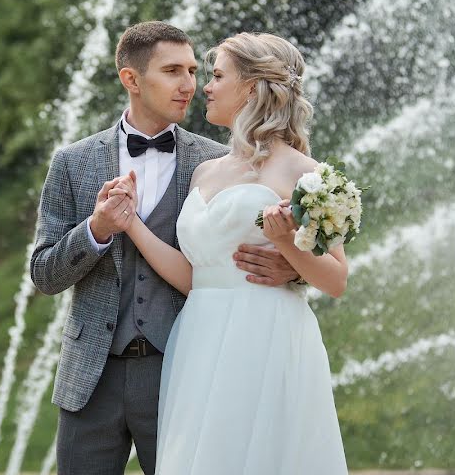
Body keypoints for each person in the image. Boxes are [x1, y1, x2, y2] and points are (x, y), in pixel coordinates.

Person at [29, 22, 304, 475]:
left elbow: (259, 240)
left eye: (195, 70)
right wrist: (96, 229)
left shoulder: (218, 160)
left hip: (185, 367)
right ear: (131, 80)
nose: (190, 84)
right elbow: (44, 274)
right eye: (173, 70)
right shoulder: (73, 162)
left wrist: (289, 269)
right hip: (91, 378)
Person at [109, 31, 348, 474]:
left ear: (252, 88)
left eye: (217, 76)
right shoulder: (205, 170)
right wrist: (131, 225)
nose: (206, 87)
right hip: (200, 333)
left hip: (266, 333)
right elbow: (195, 276)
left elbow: (335, 279)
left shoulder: (305, 172)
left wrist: (284, 246)